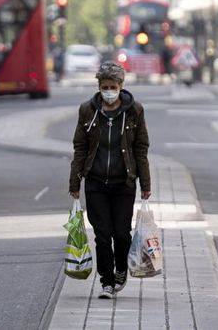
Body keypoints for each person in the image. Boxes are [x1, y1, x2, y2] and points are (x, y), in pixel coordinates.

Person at [69, 61, 152, 299]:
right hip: (95, 184)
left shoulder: (134, 110)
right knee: (102, 234)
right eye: (104, 86)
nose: (108, 91)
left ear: (120, 86)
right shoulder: (88, 110)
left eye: (112, 86)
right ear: (98, 86)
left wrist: (145, 184)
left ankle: (121, 270)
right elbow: (80, 148)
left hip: (123, 183)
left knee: (122, 234)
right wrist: (75, 183)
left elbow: (141, 148)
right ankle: (106, 281)